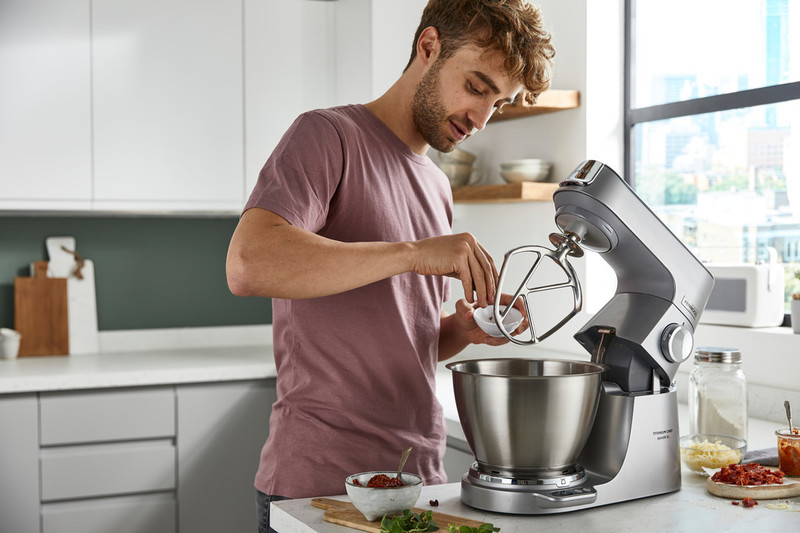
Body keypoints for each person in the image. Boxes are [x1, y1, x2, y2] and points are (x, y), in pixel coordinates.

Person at [226, 1, 555, 531]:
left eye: (499, 102)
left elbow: (402, 336)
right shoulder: (327, 136)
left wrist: (463, 330)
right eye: (476, 86)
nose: (482, 119)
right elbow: (248, 263)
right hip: (321, 486)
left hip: (418, 481)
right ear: (429, 48)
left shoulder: (436, 184)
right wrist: (412, 252)